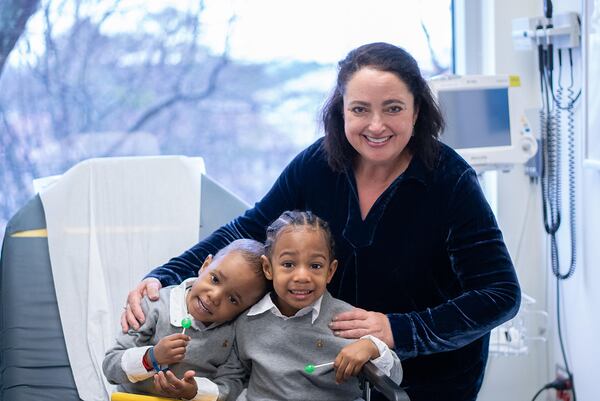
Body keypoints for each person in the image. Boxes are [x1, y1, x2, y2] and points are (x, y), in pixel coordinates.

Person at [122, 42, 521, 401]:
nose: (376, 125)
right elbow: (248, 230)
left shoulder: (450, 181)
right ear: (340, 111)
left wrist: (399, 330)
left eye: (393, 108)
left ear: (417, 110)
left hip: (429, 383)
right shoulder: (318, 164)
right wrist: (164, 274)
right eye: (360, 109)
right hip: (330, 378)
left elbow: (500, 293)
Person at [228, 210, 402, 400]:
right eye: (288, 264)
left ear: (330, 271)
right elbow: (233, 376)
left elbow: (395, 377)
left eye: (315, 266)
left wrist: (371, 347)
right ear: (268, 268)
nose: (302, 276)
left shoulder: (348, 321)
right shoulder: (246, 320)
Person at [103, 239, 269, 401]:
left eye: (233, 299)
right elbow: (111, 367)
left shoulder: (234, 332)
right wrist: (152, 357)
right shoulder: (156, 305)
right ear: (205, 265)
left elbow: (230, 385)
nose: (214, 296)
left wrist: (195, 392)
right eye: (215, 279)